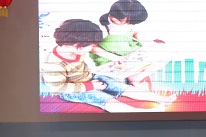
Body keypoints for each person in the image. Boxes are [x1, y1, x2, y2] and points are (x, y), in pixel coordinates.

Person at [41, 19, 174, 112]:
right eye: (90, 46)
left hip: (89, 77)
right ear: (76, 46)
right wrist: (91, 86)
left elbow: (91, 55)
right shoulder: (53, 64)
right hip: (71, 90)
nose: (92, 48)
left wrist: (113, 61)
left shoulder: (74, 48)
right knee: (102, 98)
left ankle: (162, 99)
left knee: (120, 86)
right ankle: (142, 113)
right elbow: (59, 88)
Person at [89, 0, 166, 90]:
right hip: (110, 58)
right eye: (130, 23)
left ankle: (136, 78)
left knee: (161, 57)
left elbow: (136, 33)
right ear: (114, 19)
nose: (132, 25)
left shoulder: (128, 23)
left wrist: (149, 43)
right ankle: (133, 77)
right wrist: (115, 58)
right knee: (118, 79)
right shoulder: (102, 28)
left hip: (130, 53)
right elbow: (92, 47)